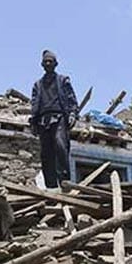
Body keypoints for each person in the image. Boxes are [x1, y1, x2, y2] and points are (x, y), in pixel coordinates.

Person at [29, 50, 79, 190]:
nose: (48, 63)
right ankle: (50, 185)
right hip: (43, 121)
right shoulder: (38, 85)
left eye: (51, 61)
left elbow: (71, 99)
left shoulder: (63, 80)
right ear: (42, 64)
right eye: (46, 61)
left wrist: (73, 114)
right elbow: (34, 104)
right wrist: (33, 122)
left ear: (56, 64)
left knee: (60, 145)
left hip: (59, 118)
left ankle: (64, 181)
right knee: (46, 153)